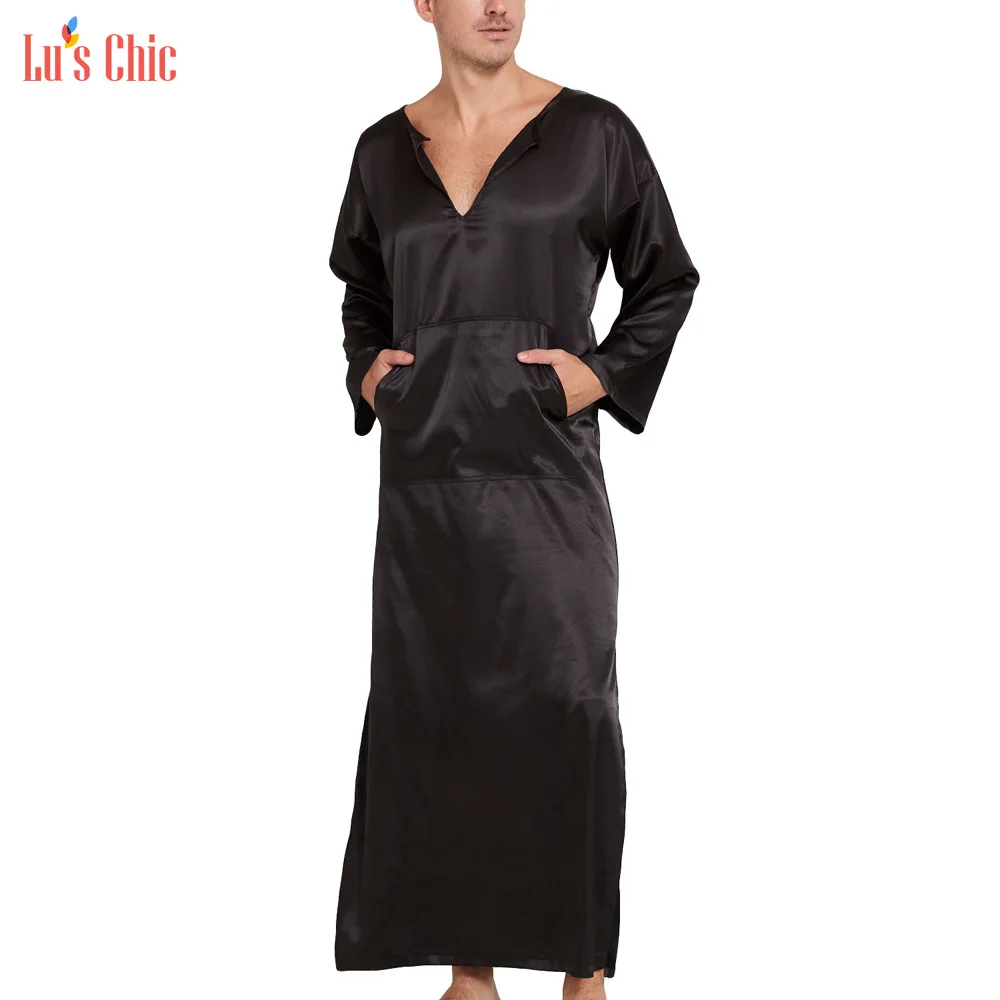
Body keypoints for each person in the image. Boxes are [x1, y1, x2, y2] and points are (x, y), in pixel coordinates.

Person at [328, 2, 699, 998]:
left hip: (547, 484)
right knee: (443, 713)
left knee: (566, 708)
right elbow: (363, 290)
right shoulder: (381, 152)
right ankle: (470, 971)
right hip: (427, 495)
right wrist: (369, 373)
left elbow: (665, 278)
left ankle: (583, 969)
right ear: (424, 2)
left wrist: (598, 376)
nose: (498, 3)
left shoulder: (595, 134)